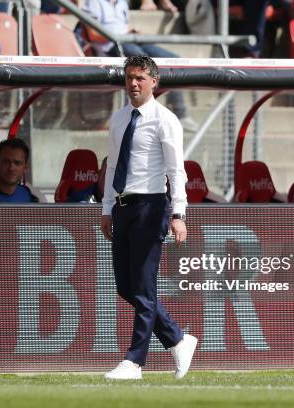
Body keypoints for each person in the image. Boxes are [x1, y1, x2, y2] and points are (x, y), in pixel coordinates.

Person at [100, 56, 197, 380]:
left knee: (143, 288)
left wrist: (179, 213)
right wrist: (107, 208)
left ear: (154, 81)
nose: (133, 83)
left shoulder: (165, 120)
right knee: (126, 287)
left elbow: (175, 171)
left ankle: (135, 362)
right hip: (123, 207)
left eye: (140, 77)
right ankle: (177, 338)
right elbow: (113, 166)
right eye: (129, 77)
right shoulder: (118, 118)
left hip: (150, 205)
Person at [82, 0, 198, 132]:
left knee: (173, 62)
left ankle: (180, 114)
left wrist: (130, 33)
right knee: (143, 63)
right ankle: (139, 114)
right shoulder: (92, 2)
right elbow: (93, 35)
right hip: (111, 46)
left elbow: (122, 27)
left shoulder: (122, 2)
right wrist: (120, 36)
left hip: (128, 40)